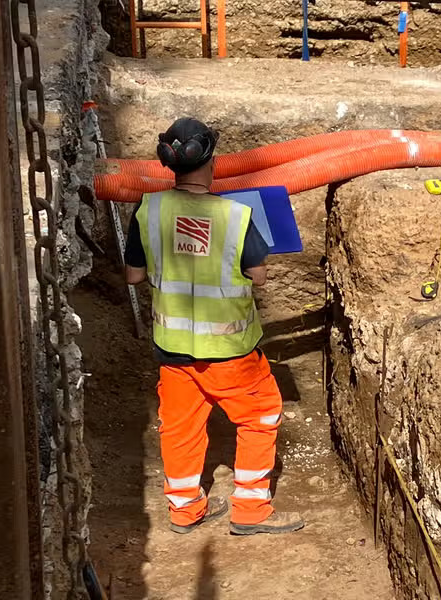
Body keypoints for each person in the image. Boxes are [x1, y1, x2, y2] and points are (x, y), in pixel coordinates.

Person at [124, 117, 305, 536]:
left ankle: (185, 512)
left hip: (173, 350)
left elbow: (134, 276)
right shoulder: (237, 216)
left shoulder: (148, 210)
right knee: (261, 417)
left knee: (180, 429)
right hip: (232, 352)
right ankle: (251, 511)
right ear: (212, 163)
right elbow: (258, 276)